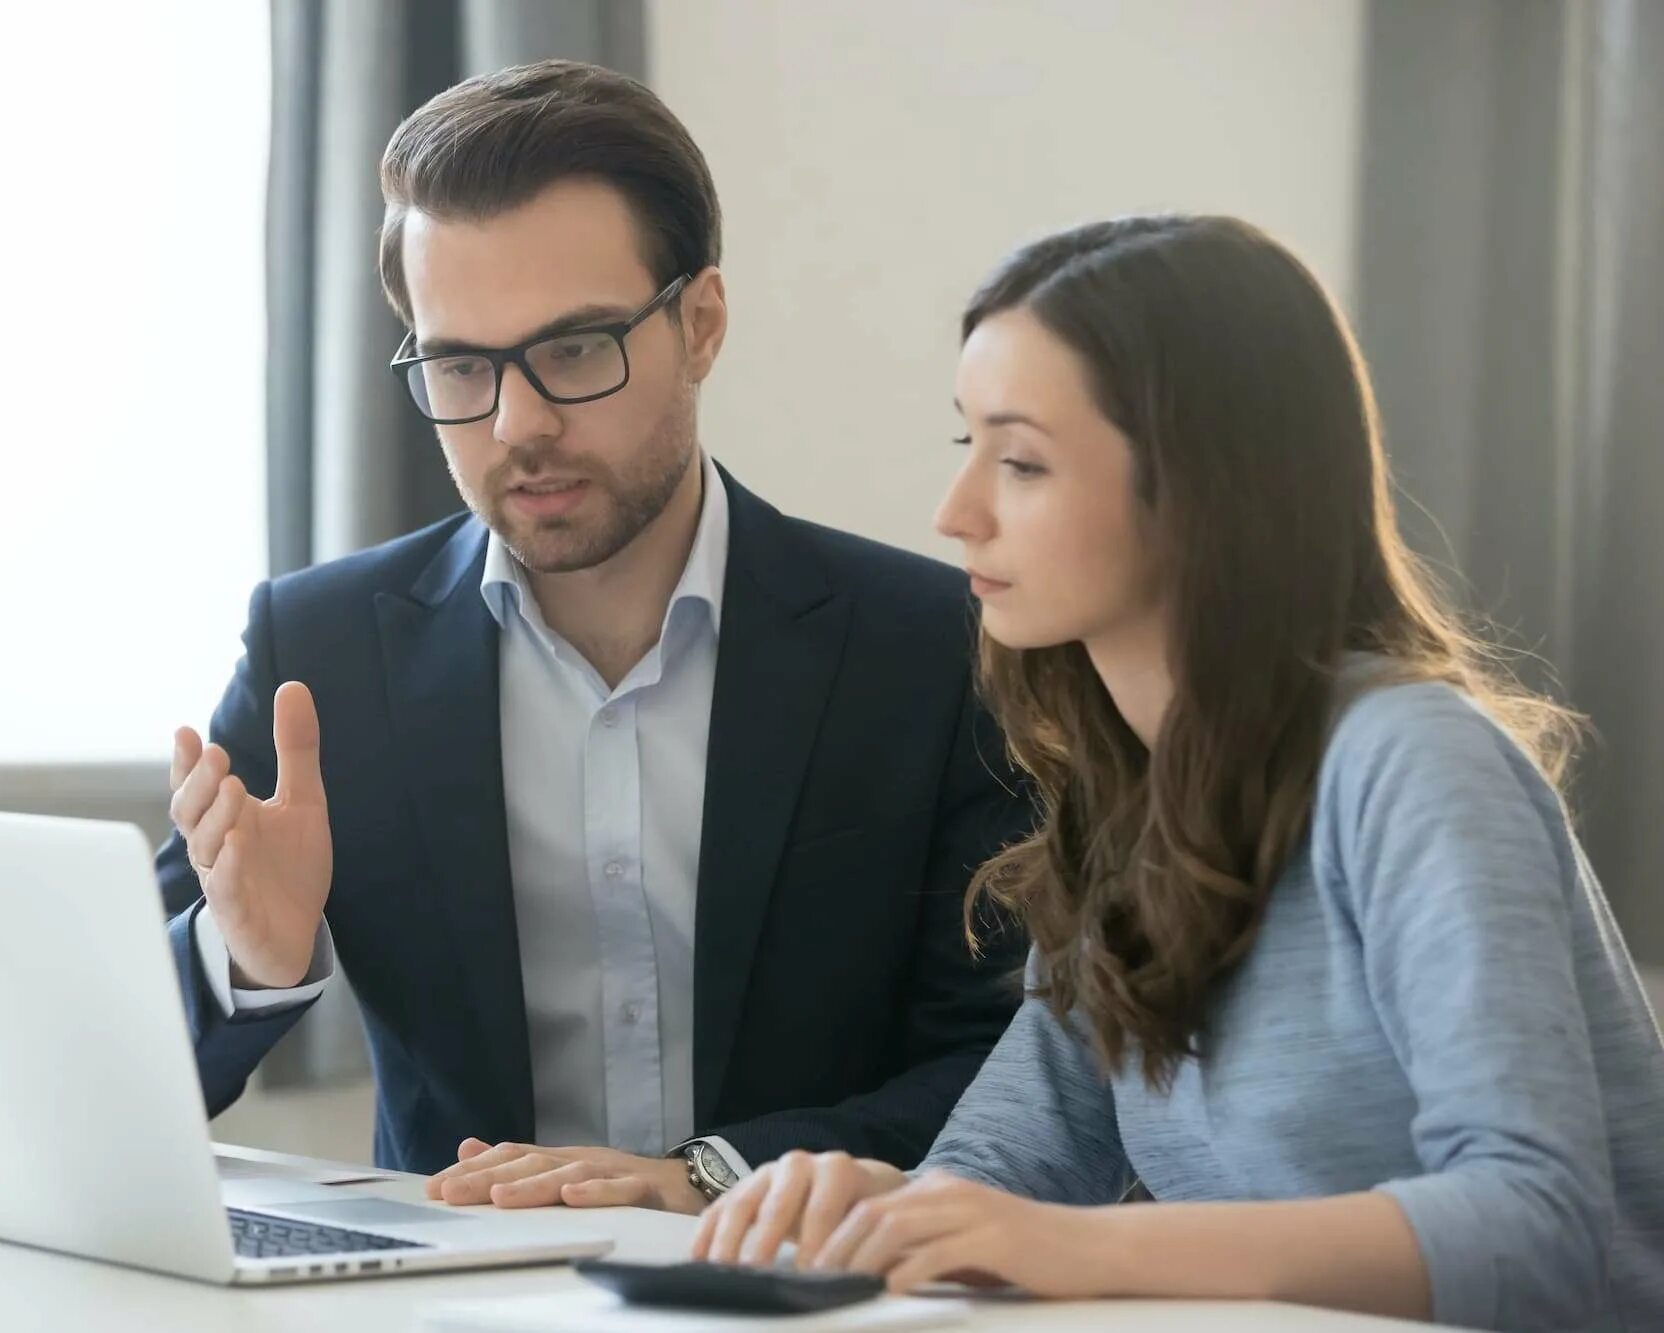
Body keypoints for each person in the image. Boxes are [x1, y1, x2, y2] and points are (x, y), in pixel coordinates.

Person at [692, 214, 1664, 1331]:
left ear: (1199, 488)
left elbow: (1535, 1227)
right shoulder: (1125, 805)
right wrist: (882, 1210)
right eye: (966, 447)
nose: (953, 514)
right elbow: (1008, 1175)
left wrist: (1085, 1247)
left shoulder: (1409, 763)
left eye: (1019, 461)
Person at [153, 60, 1037, 1216]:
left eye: (574, 350)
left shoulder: (931, 649)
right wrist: (248, 960)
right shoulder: (319, 655)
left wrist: (705, 1176)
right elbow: (112, 1060)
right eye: (461, 365)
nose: (519, 424)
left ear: (701, 323)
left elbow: (1011, 1069)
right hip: (453, 1300)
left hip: (801, 1285)